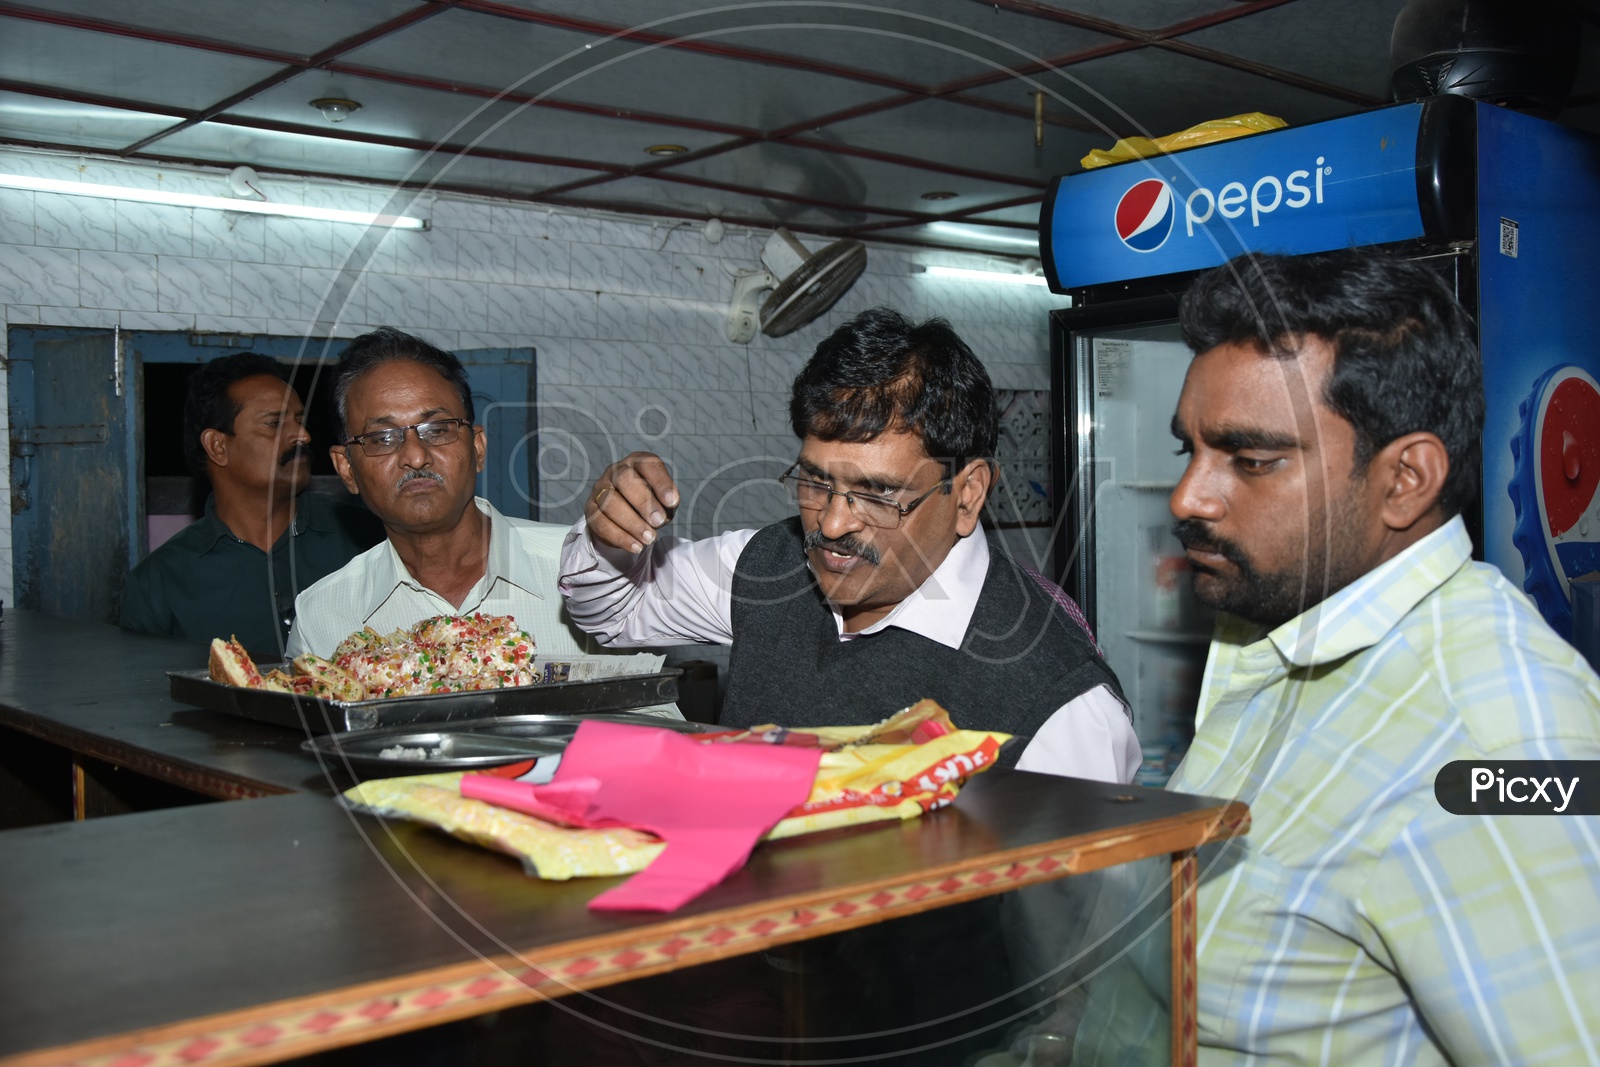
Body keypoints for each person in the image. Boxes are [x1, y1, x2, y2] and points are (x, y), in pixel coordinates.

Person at [1155, 250, 1600, 1063]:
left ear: (1406, 480)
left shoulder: (1495, 740)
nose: (1189, 496)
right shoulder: (1281, 625)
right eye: (1189, 449)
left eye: (1252, 459)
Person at [559, 306, 1133, 780]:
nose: (832, 525)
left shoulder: (1059, 704)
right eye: (814, 481)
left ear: (967, 494)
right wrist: (612, 535)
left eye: (878, 494)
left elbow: (1080, 909)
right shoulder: (768, 568)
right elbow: (613, 612)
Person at [284, 328, 602, 661]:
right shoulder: (322, 618)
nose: (416, 456)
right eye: (382, 438)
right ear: (347, 468)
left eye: (436, 430)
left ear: (477, 448)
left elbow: (657, 710)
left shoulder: (584, 569)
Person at [120, 353, 380, 657]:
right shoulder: (158, 584)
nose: (304, 436)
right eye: (274, 423)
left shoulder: (368, 539)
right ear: (218, 446)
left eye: (300, 421)